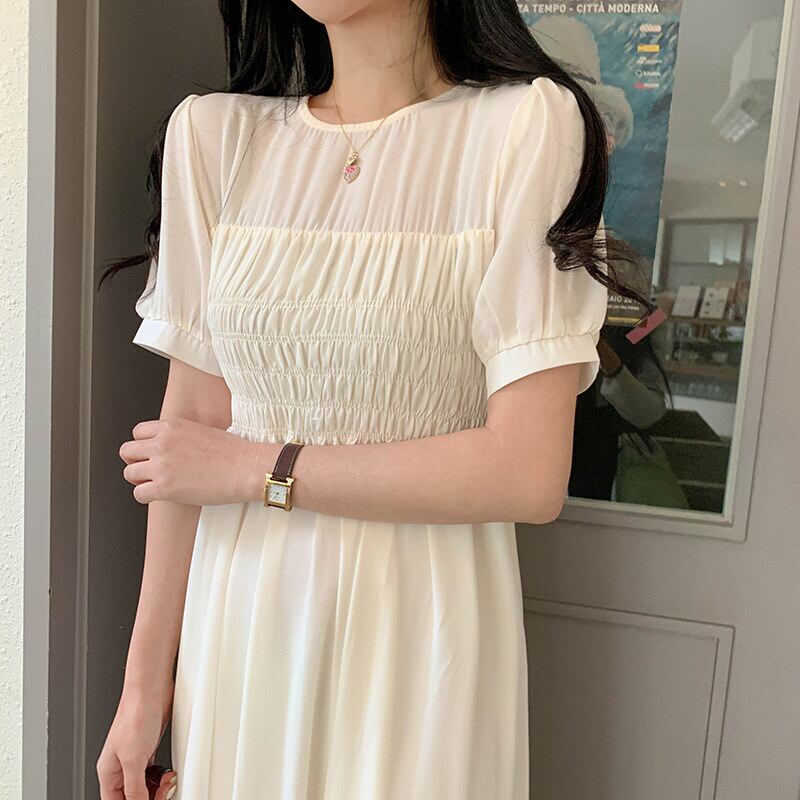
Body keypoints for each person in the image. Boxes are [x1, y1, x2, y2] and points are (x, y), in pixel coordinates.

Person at [96, 2, 651, 798]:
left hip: (420, 626)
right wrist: (144, 687)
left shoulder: (528, 127)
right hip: (243, 621)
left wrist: (257, 469)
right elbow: (190, 436)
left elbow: (526, 474)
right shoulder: (216, 138)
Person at [569, 324, 671, 502]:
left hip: (602, 437)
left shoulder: (647, 319)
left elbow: (648, 412)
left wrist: (604, 352)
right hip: (550, 425)